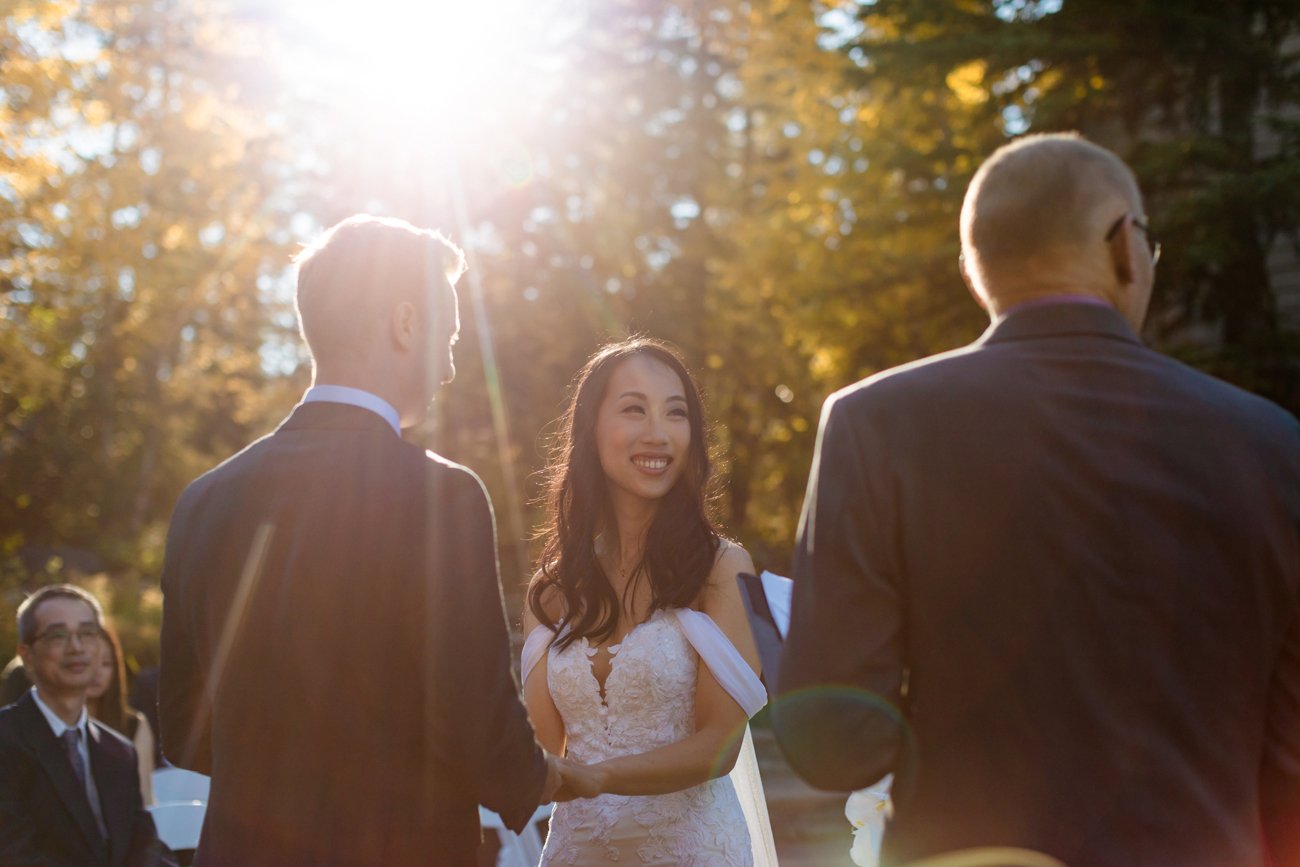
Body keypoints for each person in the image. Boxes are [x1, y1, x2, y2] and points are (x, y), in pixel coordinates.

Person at [773, 132, 1300, 867]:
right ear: (1124, 246)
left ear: (973, 270)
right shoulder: (1273, 444)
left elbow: (832, 741)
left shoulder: (875, 424)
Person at [159, 215, 563, 867]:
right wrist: (548, 777)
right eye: (449, 336)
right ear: (405, 324)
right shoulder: (444, 497)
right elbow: (474, 717)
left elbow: (183, 725)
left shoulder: (202, 499)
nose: (452, 364)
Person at [522, 338, 776, 865]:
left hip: (693, 851)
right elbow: (540, 750)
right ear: (591, 430)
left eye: (675, 413)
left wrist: (596, 777)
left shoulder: (722, 570)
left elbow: (719, 749)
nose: (658, 433)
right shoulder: (550, 591)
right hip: (575, 852)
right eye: (634, 409)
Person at [0, 584, 174, 865]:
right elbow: (12, 854)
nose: (77, 647)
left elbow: (144, 845)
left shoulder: (119, 752)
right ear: (26, 655)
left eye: (88, 633)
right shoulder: (6, 739)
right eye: (58, 635)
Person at [88, 624, 156, 805]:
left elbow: (144, 798)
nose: (97, 673)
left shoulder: (134, 725)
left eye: (106, 664)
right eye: (90, 662)